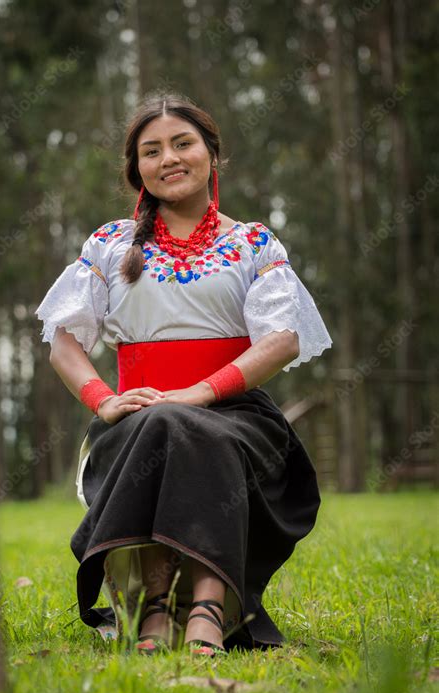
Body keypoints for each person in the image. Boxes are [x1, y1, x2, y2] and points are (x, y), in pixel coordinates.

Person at [35, 92, 333, 657]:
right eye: (152, 150)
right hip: (137, 412)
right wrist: (101, 399)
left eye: (182, 143)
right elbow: (64, 340)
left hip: (236, 414)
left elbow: (282, 338)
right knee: (163, 423)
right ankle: (157, 603)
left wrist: (201, 392)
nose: (168, 158)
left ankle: (205, 605)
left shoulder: (253, 242)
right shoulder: (108, 244)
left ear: (211, 154)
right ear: (137, 168)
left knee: (189, 427)